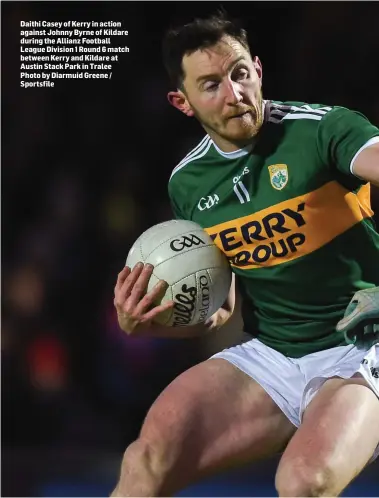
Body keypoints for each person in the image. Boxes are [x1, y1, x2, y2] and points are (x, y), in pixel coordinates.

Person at [111, 11, 379, 497]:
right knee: (147, 460)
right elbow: (223, 310)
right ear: (182, 101)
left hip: (366, 349)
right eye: (210, 84)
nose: (233, 94)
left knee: (303, 482)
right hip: (275, 355)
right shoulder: (188, 183)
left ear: (257, 69)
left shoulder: (322, 131)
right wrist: (149, 322)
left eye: (238, 74)